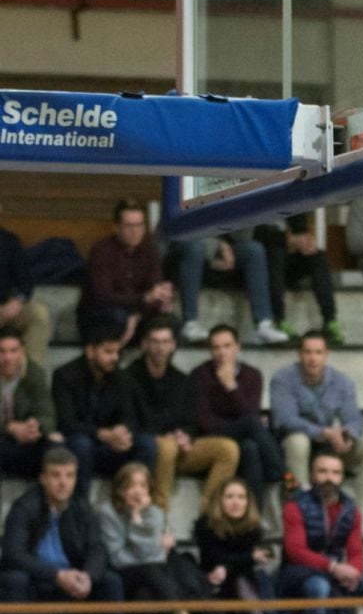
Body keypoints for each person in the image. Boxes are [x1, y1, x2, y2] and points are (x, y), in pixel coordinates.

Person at [0, 446, 125, 614]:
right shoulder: (24, 507)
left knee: (111, 581)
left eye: (69, 475)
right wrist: (56, 575)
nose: (63, 482)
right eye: (56, 475)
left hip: (72, 583)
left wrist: (88, 576)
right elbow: (13, 554)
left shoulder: (81, 506)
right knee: (13, 580)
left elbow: (97, 548)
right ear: (43, 478)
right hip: (38, 581)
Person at [269, 329, 363, 527]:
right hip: (295, 447)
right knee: (298, 442)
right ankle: (303, 509)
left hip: (331, 448)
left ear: (327, 354)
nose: (313, 358)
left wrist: (347, 435)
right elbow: (284, 419)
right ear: (299, 354)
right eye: (308, 352)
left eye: (318, 352)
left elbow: (355, 418)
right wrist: (323, 432)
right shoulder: (283, 379)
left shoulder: (342, 381)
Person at [125, 316, 240, 510]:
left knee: (228, 449)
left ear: (173, 345)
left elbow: (190, 419)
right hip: (148, 446)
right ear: (145, 344)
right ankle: (161, 515)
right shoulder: (128, 377)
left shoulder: (181, 379)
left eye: (165, 342)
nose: (160, 348)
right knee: (167, 446)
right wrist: (167, 435)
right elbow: (132, 421)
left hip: (178, 447)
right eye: (155, 342)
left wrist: (185, 435)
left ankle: (208, 516)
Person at [280, 452, 363, 614]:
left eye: (335, 473)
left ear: (342, 478)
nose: (329, 478)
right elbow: (295, 551)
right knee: (319, 586)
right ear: (311, 475)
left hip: (337, 573)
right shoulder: (295, 506)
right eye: (322, 471)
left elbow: (357, 552)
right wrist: (333, 567)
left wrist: (354, 573)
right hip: (300, 574)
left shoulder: (351, 510)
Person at [52, 324, 158, 498]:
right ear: (91, 351)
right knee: (81, 443)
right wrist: (102, 434)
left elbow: (129, 416)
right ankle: (80, 507)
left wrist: (122, 433)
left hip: (110, 446)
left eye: (117, 352)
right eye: (108, 352)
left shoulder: (121, 377)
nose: (115, 358)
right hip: (80, 447)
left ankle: (136, 500)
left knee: (146, 443)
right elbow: (66, 423)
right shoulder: (65, 376)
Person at [97, 462, 201, 614]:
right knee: (150, 570)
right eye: (131, 485)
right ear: (120, 490)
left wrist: (139, 522)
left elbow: (158, 557)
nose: (138, 491)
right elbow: (117, 558)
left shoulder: (155, 513)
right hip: (122, 577)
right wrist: (136, 519)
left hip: (151, 581)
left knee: (145, 597)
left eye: (143, 485)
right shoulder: (107, 512)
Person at [191, 324, 285, 506]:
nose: (222, 352)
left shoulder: (252, 375)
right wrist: (229, 388)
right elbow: (204, 421)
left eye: (227, 346)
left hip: (247, 435)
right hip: (214, 435)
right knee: (250, 425)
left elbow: (251, 412)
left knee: (250, 448)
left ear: (237, 347)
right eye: (216, 347)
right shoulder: (200, 375)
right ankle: (284, 475)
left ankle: (254, 516)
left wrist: (232, 386)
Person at [77, 197, 173, 346]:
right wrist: (143, 300)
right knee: (117, 316)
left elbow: (154, 293)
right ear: (116, 227)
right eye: (129, 226)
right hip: (100, 316)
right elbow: (104, 296)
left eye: (139, 225)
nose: (135, 231)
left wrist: (157, 301)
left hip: (137, 315)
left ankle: (153, 367)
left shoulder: (150, 251)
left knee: (169, 322)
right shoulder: (101, 251)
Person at [164, 230, 288, 344]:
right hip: (181, 254)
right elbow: (183, 232)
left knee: (254, 250)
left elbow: (242, 237)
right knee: (195, 247)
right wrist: (217, 246)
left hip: (219, 257)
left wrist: (243, 210)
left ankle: (263, 324)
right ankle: (190, 323)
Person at [253, 214, 344, 345]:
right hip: (262, 264)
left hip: (286, 260)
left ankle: (330, 320)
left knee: (318, 256)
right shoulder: (256, 203)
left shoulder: (289, 200)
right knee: (275, 253)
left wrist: (306, 243)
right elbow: (256, 236)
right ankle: (279, 319)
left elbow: (301, 230)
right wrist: (288, 241)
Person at [194, 477, 272, 614]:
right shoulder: (205, 525)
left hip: (242, 580)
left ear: (248, 502)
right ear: (220, 501)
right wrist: (248, 557)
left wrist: (227, 567)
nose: (236, 502)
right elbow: (213, 558)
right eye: (229, 497)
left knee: (241, 582)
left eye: (241, 497)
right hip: (213, 581)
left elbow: (250, 564)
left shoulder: (254, 528)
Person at [1, 325, 61, 479]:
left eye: (13, 351)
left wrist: (35, 426)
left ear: (22, 351)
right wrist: (11, 428)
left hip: (25, 440)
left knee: (55, 445)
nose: (7, 358)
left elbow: (47, 413)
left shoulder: (33, 373)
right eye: (2, 351)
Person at [0, 216, 51, 365]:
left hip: (4, 308)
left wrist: (18, 300)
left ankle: (30, 375)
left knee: (39, 314)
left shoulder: (9, 241)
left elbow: (26, 281)